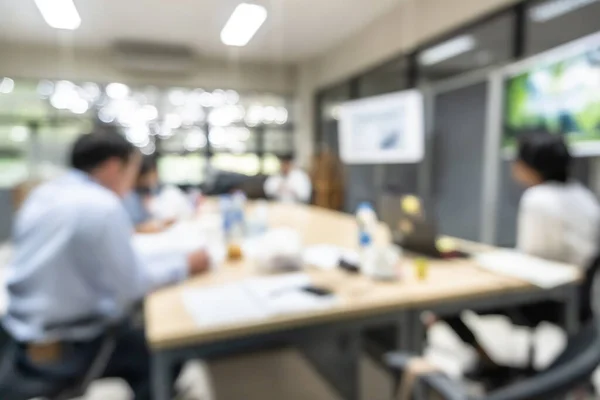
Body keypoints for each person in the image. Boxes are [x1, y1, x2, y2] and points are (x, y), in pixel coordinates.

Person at [0, 131, 211, 400]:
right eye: (132, 170)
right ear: (114, 167)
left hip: (18, 334)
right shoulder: (102, 205)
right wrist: (185, 264)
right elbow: (132, 287)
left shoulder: (43, 194)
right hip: (70, 343)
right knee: (163, 346)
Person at [442, 130, 600, 378]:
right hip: (578, 299)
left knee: (444, 301)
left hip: (545, 299)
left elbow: (531, 258)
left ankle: (487, 360)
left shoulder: (538, 199)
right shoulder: (584, 195)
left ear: (531, 164)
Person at [123, 155, 175, 233]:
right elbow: (130, 227)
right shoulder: (128, 196)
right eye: (150, 175)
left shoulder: (148, 192)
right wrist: (158, 225)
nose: (154, 178)